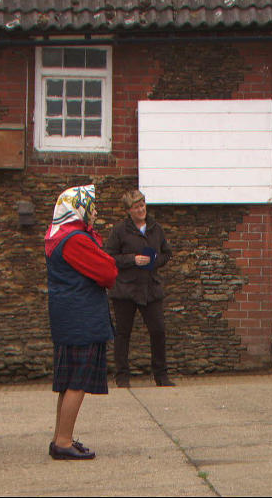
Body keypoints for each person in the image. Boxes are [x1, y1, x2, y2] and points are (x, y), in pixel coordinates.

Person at [44, 185, 118, 460]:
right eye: (92, 206)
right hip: (81, 317)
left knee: (68, 380)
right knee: (76, 380)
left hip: (68, 314)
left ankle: (60, 437)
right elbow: (109, 272)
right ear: (78, 207)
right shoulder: (75, 239)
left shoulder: (58, 235)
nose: (95, 211)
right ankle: (63, 441)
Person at [104, 189, 175, 388]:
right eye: (136, 207)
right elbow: (109, 256)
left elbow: (167, 254)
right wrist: (132, 259)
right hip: (125, 289)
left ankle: (161, 376)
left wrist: (154, 261)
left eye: (143, 205)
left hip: (150, 288)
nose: (141, 210)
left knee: (158, 330)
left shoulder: (156, 228)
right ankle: (122, 377)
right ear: (129, 211)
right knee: (123, 333)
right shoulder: (120, 230)